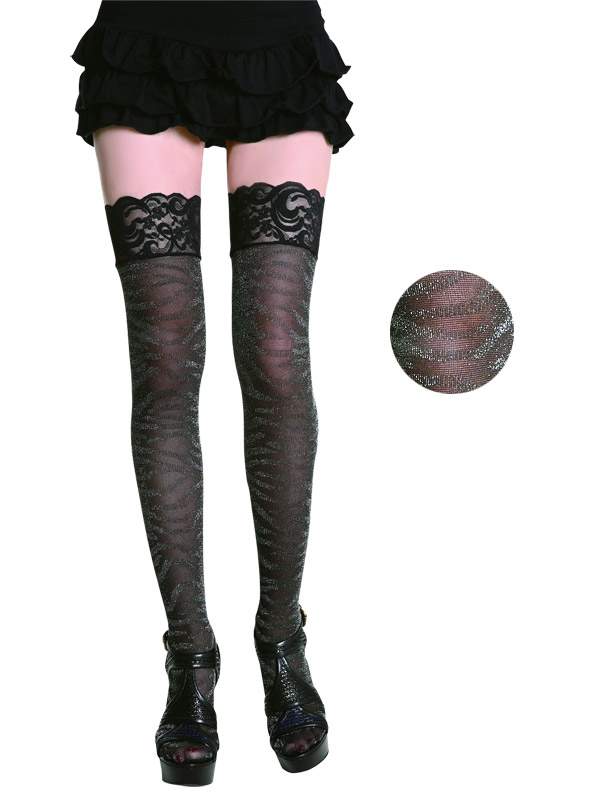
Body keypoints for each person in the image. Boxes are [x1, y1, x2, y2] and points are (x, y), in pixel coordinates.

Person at [71, 0, 354, 786]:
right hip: (145, 37)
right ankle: (190, 656)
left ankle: (281, 640)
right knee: (164, 363)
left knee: (276, 352)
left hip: (276, 37)